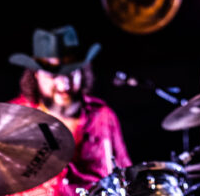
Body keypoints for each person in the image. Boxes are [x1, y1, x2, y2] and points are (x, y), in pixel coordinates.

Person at [7, 25, 132, 195]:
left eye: (70, 72)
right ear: (36, 74)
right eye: (53, 74)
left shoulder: (102, 115)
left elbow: (126, 175)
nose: (62, 83)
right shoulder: (13, 118)